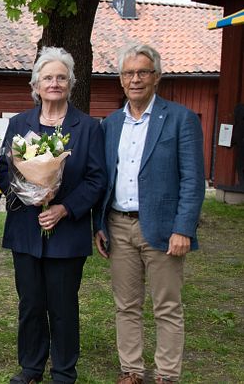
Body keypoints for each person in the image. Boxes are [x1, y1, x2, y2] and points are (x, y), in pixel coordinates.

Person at [93, 44, 205, 384]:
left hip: (163, 228)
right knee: (126, 305)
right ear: (120, 81)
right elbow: (104, 178)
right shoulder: (111, 123)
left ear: (157, 77)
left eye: (143, 72)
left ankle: (167, 375)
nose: (135, 79)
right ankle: (132, 370)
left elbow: (192, 179)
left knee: (166, 306)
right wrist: (100, 224)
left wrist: (183, 228)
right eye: (129, 73)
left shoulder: (180, 119)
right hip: (118, 226)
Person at [0, 47, 106, 384]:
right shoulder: (19, 124)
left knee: (62, 306)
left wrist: (63, 208)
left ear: (70, 83)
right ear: (36, 84)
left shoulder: (87, 127)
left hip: (66, 232)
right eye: (48, 78)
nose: (54, 83)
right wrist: (27, 194)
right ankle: (31, 367)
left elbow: (96, 178)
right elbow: (3, 170)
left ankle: (63, 371)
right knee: (30, 304)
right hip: (26, 229)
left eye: (61, 77)